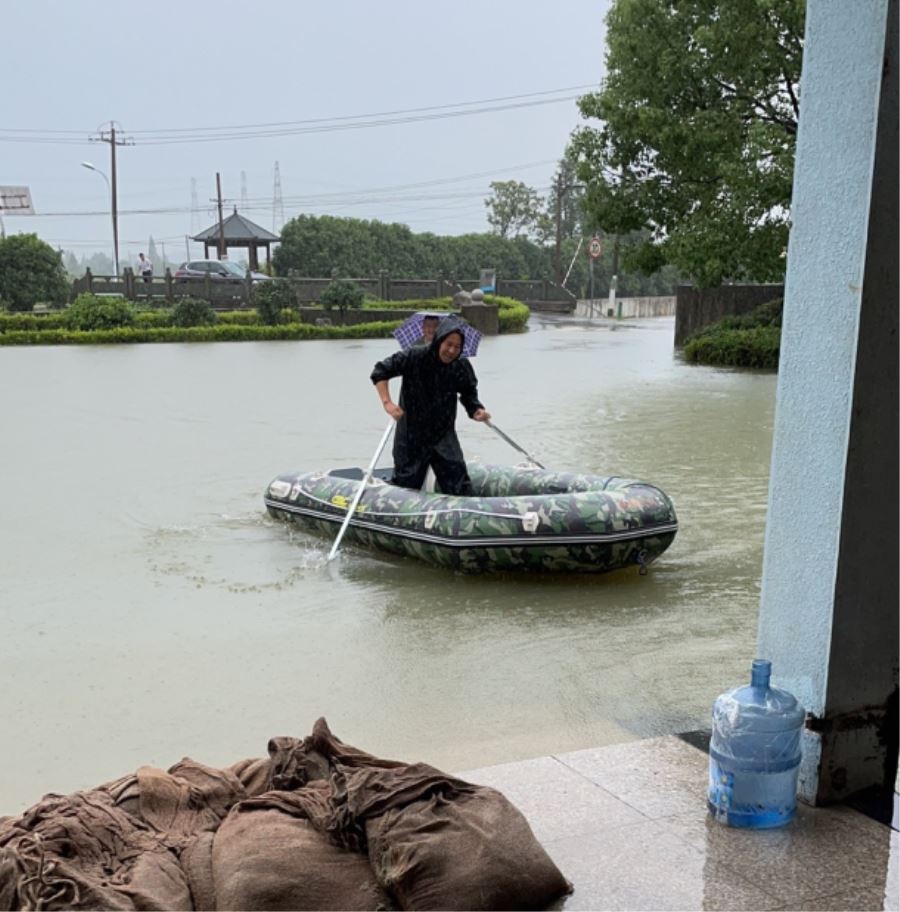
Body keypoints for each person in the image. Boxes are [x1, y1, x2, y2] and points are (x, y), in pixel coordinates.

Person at [371, 314, 491, 496]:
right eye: (448, 344)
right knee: (407, 485)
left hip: (443, 434)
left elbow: (468, 393)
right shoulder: (415, 356)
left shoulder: (460, 365)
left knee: (458, 481)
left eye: (457, 347)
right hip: (412, 435)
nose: (452, 351)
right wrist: (387, 403)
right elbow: (380, 371)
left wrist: (476, 411)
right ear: (439, 340)